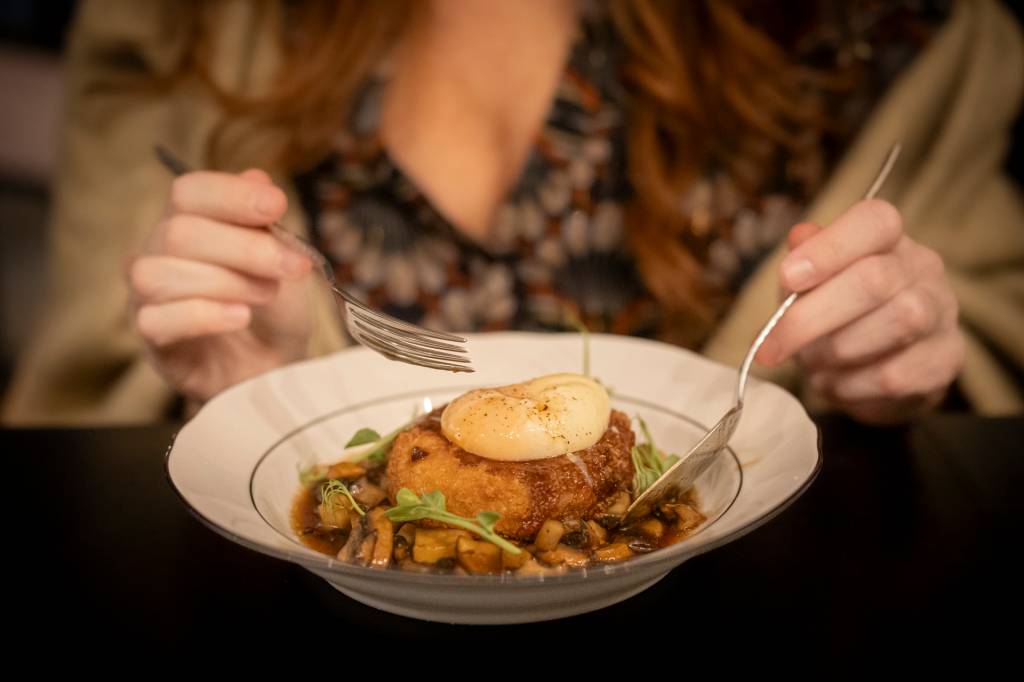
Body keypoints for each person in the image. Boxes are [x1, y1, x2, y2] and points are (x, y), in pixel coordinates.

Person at [2, 0, 1022, 426]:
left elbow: (984, 340)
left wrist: (898, 369)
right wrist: (245, 401)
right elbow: (78, 413)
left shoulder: (892, 33)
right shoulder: (172, 27)